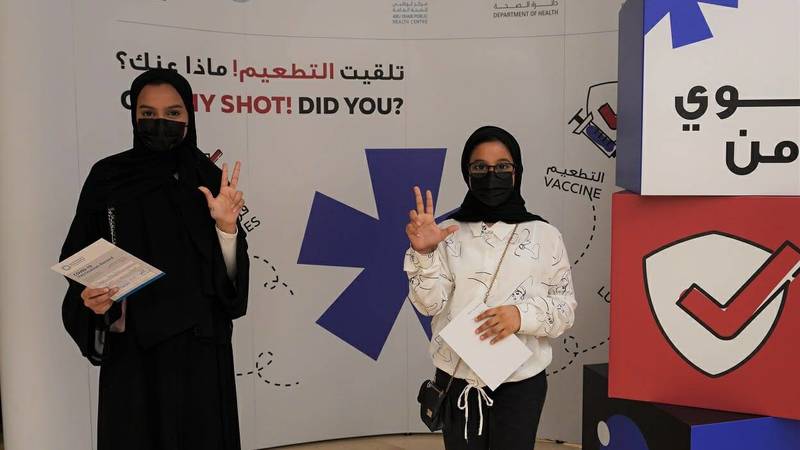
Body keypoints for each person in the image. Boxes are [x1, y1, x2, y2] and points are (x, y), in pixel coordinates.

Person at [60, 68, 250, 450]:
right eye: (148, 114)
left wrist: (227, 228)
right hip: (134, 352)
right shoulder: (108, 177)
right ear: (134, 116)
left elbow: (231, 286)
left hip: (200, 350)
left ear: (189, 116)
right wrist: (92, 299)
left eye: (173, 113)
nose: (160, 122)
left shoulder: (209, 180)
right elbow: (82, 259)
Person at [404, 125, 577, 450]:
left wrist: (520, 316)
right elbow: (429, 305)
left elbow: (565, 309)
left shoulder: (545, 235)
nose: (491, 175)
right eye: (480, 167)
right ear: (467, 173)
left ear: (517, 171)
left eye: (502, 167)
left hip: (520, 383)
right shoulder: (445, 232)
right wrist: (423, 254)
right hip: (456, 377)